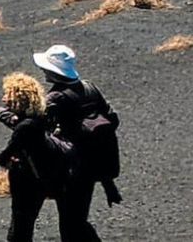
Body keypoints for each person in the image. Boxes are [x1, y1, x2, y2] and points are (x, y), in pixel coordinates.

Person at [34, 44, 121, 242]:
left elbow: (37, 128)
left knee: (70, 224)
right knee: (78, 219)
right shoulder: (90, 88)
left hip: (71, 169)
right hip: (94, 165)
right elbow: (111, 120)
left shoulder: (55, 97)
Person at [0, 72, 70, 242]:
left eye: (7, 95)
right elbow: (13, 120)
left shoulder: (25, 127)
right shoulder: (40, 118)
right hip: (47, 177)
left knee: (19, 231)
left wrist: (9, 160)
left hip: (27, 182)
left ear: (18, 99)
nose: (3, 99)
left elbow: (4, 157)